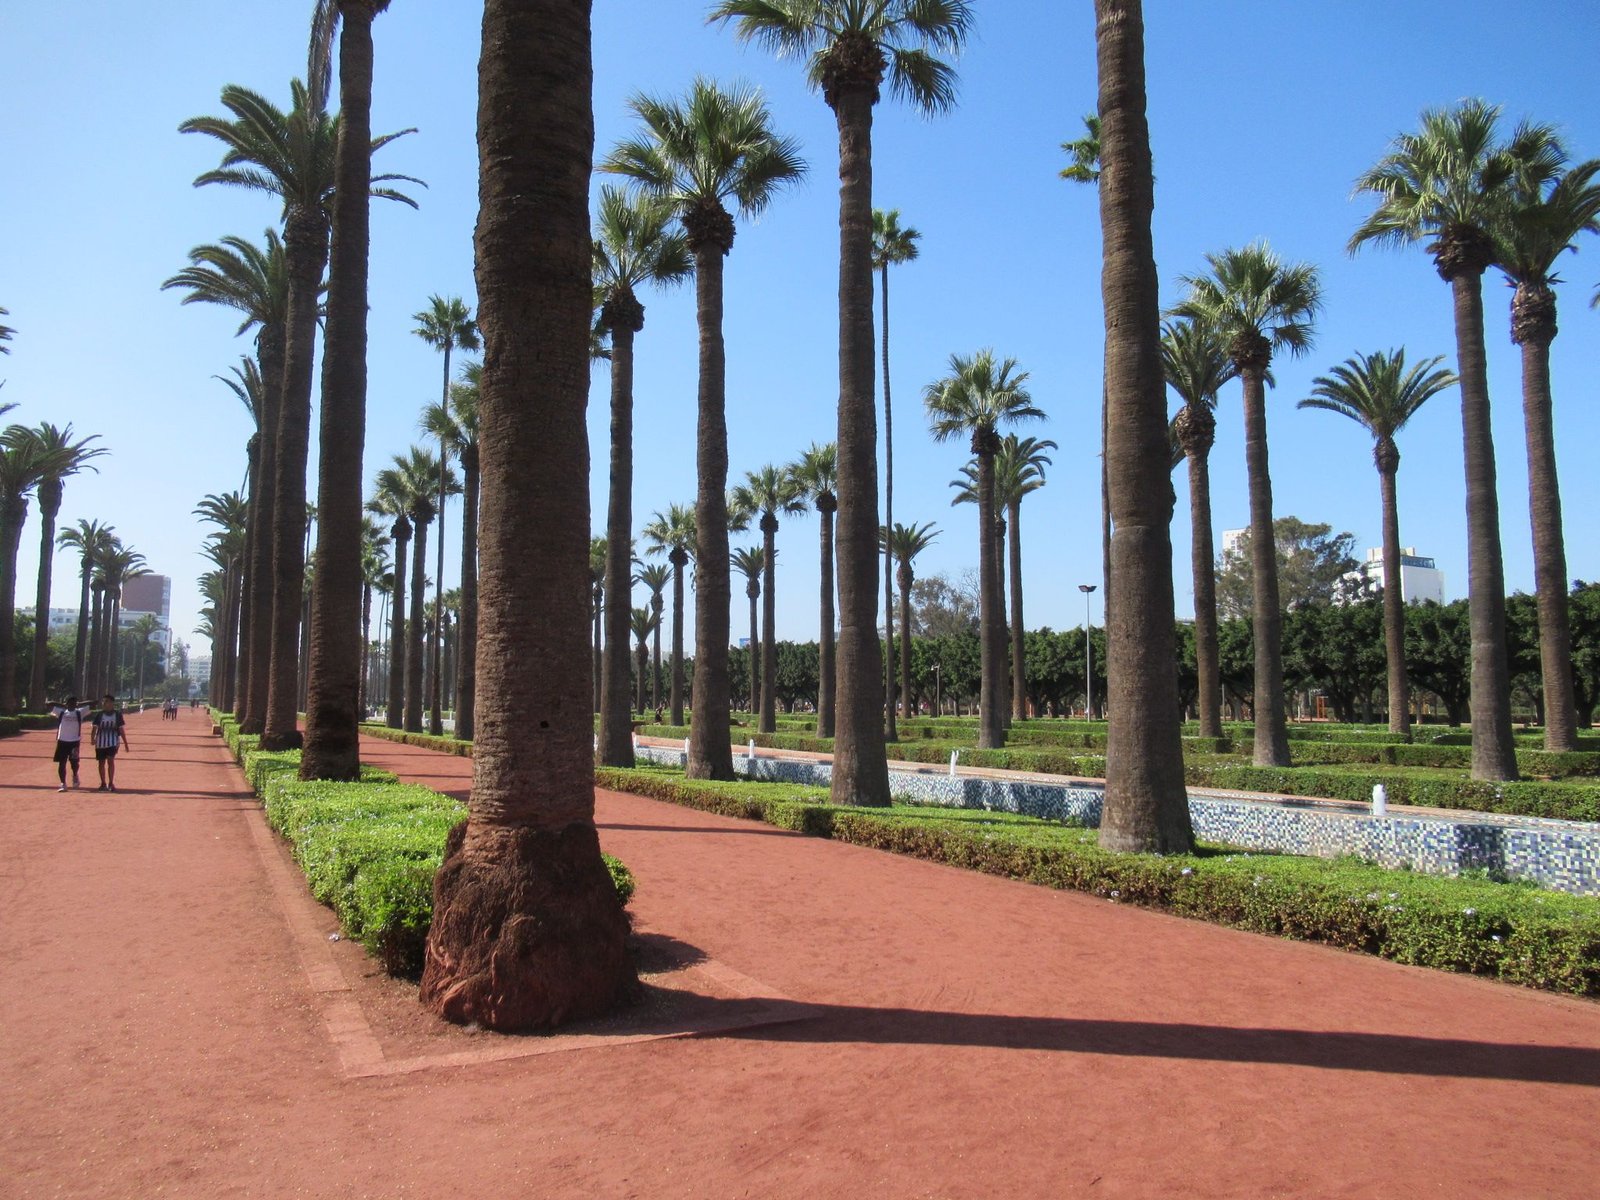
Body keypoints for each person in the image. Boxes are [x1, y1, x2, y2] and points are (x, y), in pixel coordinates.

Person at [48, 695, 92, 791]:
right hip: (62, 741)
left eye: (74, 703)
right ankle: (63, 783)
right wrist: (63, 705)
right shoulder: (61, 712)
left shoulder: (79, 712)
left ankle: (75, 775)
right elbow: (49, 704)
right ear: (67, 703)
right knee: (62, 763)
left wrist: (79, 704)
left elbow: (94, 703)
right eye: (70, 702)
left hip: (74, 741)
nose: (72, 704)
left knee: (74, 763)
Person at [90, 694, 130, 792]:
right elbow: (94, 728)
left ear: (112, 703)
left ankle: (111, 782)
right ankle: (103, 783)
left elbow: (121, 729)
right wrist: (92, 739)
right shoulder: (99, 715)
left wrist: (125, 743)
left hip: (113, 741)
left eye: (106, 701)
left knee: (110, 760)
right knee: (101, 762)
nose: (104, 703)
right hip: (100, 742)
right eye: (103, 701)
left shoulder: (117, 715)